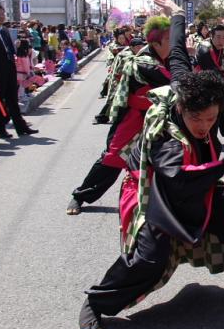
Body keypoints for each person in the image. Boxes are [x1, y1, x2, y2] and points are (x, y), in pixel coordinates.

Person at [78, 0, 224, 329]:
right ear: (181, 108)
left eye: (210, 118)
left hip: (198, 178)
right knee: (150, 259)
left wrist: (178, 13)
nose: (203, 126)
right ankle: (96, 303)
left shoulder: (187, 84)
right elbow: (180, 181)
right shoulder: (169, 136)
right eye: (195, 118)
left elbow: (179, 50)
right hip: (157, 190)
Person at [66, 17, 172, 215]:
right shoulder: (145, 62)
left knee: (174, 157)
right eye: (170, 40)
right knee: (113, 158)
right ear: (156, 42)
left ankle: (175, 202)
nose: (175, 44)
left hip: (161, 118)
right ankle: (81, 195)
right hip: (135, 119)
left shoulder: (166, 57)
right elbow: (176, 83)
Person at [0, 4, 37, 138]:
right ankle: (0, 130)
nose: (1, 16)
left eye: (2, 13)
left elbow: (9, 50)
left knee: (13, 99)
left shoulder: (5, 31)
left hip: (9, 69)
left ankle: (21, 127)